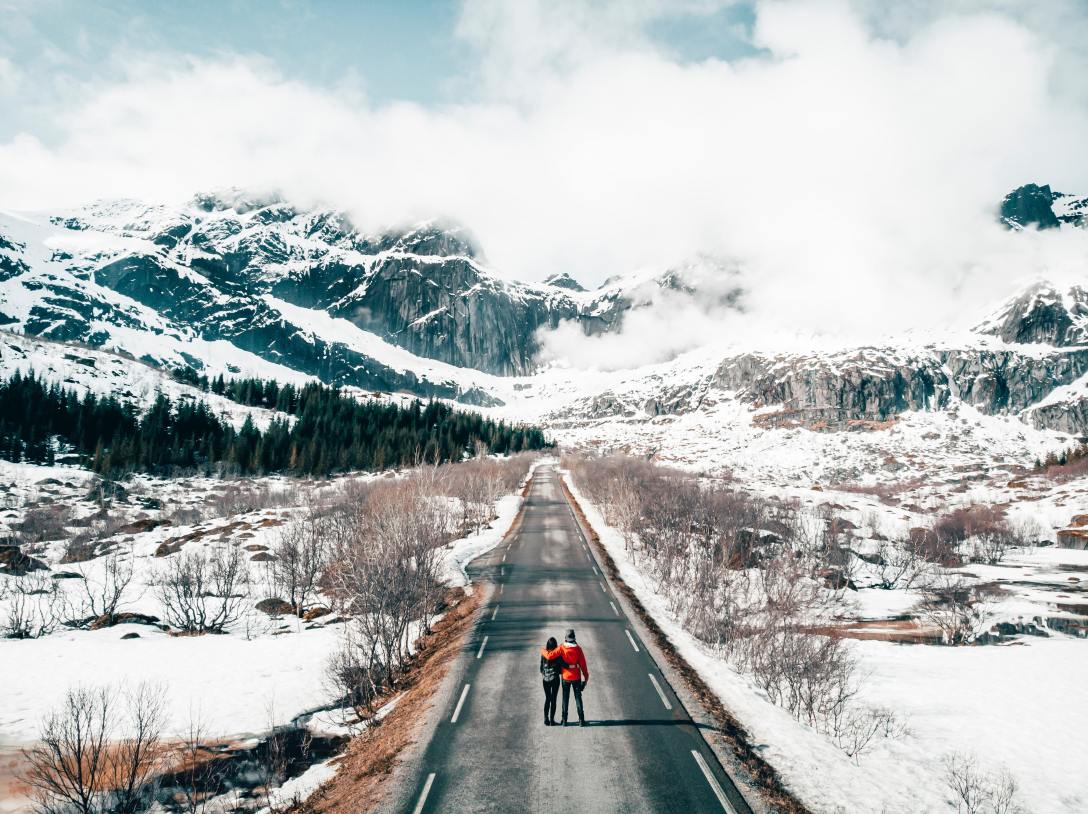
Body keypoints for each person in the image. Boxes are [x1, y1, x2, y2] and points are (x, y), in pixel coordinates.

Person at [558, 628, 589, 727]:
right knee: (578, 698)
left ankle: (564, 720)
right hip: (576, 677)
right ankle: (581, 720)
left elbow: (553, 656)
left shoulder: (561, 647)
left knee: (565, 698)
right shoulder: (578, 649)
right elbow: (583, 665)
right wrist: (586, 678)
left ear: (565, 638)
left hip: (565, 677)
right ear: (574, 637)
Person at [540, 636, 563, 726]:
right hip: (555, 680)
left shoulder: (543, 654)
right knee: (553, 699)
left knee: (547, 698)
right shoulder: (557, 655)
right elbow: (560, 670)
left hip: (545, 680)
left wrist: (545, 674)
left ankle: (546, 718)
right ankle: (552, 720)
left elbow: (541, 668)